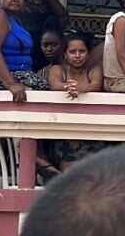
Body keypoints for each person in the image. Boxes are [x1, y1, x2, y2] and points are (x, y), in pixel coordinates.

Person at [39, 32, 105, 178]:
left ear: (88, 53)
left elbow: (95, 85)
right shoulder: (58, 70)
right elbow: (55, 83)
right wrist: (66, 87)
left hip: (90, 136)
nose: (77, 55)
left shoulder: (94, 71)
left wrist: (79, 89)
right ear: (65, 54)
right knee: (70, 174)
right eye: (72, 51)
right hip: (63, 137)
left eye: (82, 51)